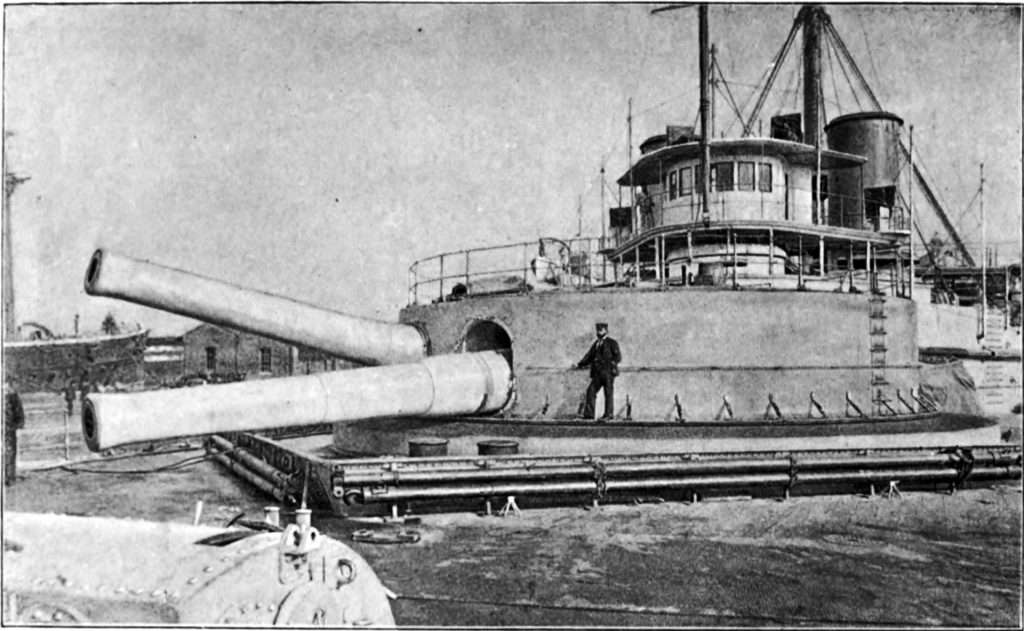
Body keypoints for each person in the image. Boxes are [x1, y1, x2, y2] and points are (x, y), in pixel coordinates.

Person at [575, 322, 622, 421]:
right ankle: (589, 415)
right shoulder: (596, 344)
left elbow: (618, 357)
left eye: (601, 330)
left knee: (608, 393)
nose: (599, 332)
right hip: (597, 373)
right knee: (591, 391)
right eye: (597, 330)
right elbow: (589, 356)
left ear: (606, 330)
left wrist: (609, 364)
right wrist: (579, 364)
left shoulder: (612, 343)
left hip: (608, 373)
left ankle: (608, 415)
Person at [4, 378, 26, 486]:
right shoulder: (11, 393)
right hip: (8, 429)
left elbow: (18, 410)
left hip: (8, 429)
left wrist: (19, 424)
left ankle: (9, 478)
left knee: (9, 453)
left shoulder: (11, 394)